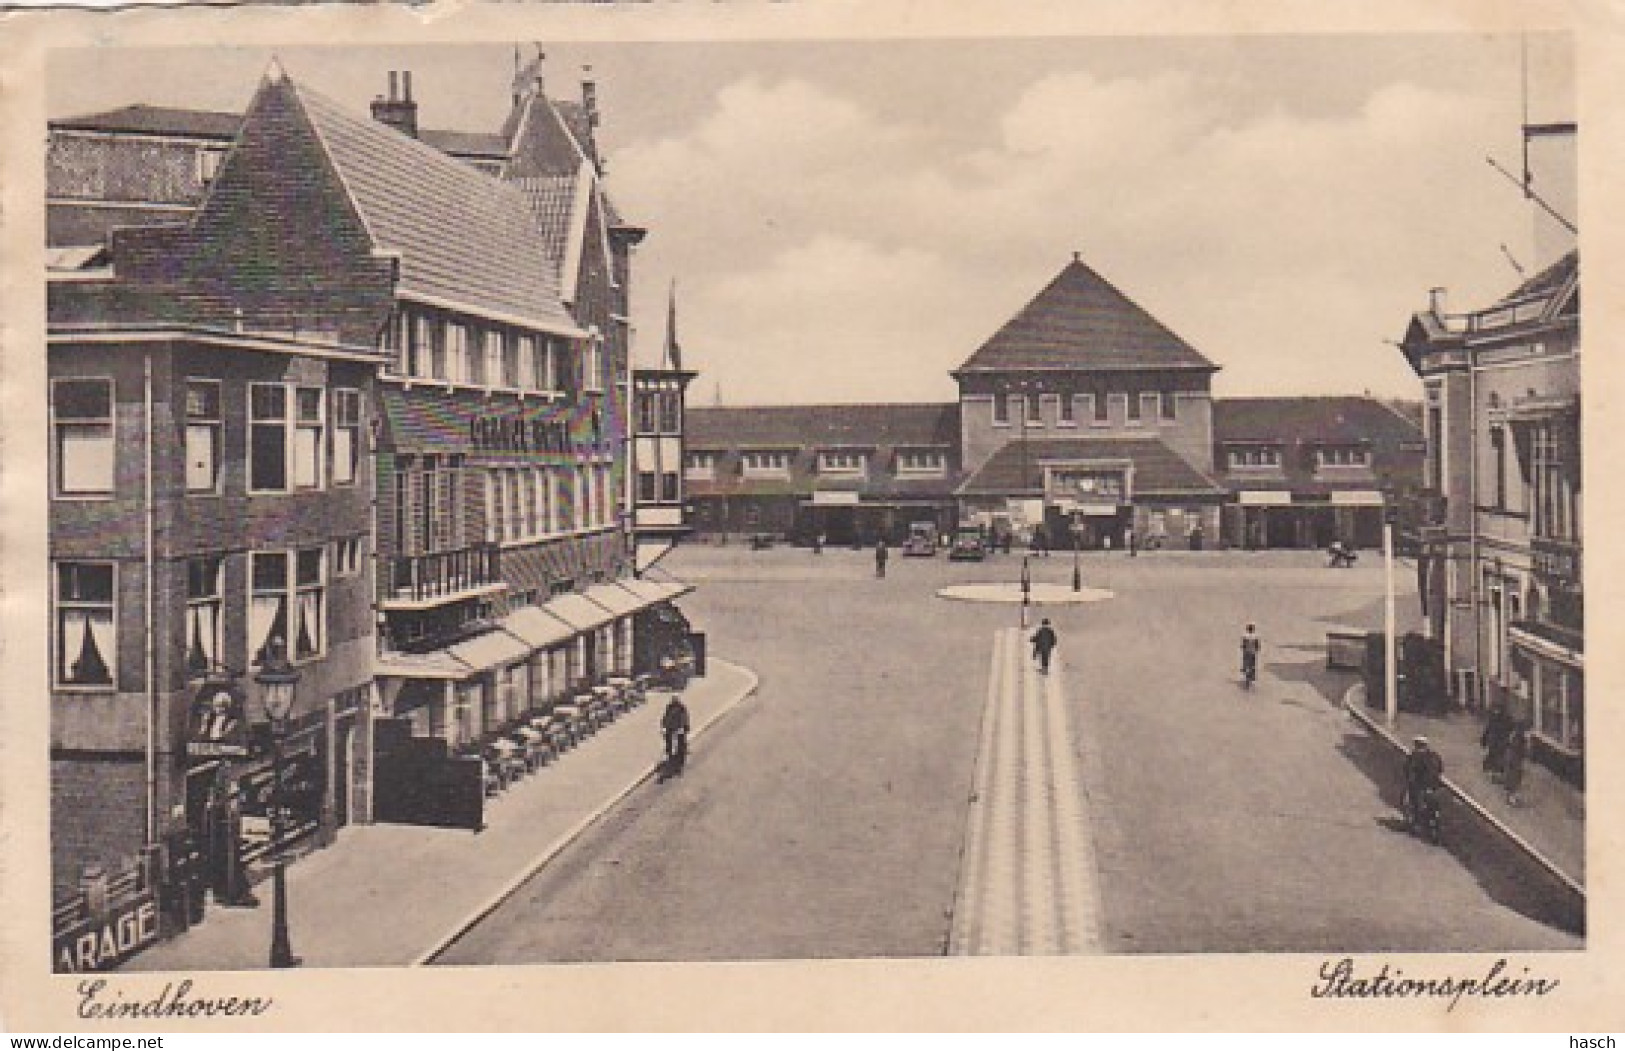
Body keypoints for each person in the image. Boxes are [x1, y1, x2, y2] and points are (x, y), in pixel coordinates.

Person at [1403, 735, 1445, 823]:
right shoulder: (1435, 755)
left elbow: (1409, 770)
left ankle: (1416, 821)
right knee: (1433, 803)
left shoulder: (1414, 756)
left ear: (1416, 745)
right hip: (1434, 785)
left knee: (1413, 801)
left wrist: (1410, 780)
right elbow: (1441, 769)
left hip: (1420, 785)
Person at [660, 694, 692, 779]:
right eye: (673, 700)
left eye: (675, 700)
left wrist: (683, 726)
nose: (674, 701)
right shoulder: (669, 707)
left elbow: (684, 717)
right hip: (671, 727)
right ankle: (669, 753)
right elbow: (665, 716)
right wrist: (663, 726)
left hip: (680, 727)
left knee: (681, 741)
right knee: (668, 739)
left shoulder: (681, 707)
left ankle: (680, 759)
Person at [1480, 703, 1513, 780]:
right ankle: (1493, 771)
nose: (1496, 712)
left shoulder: (1506, 719)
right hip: (1494, 741)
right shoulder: (1493, 719)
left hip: (1501, 742)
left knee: (1499, 756)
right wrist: (1484, 739)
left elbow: (1510, 729)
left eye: (1497, 710)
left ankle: (1497, 772)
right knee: (1493, 755)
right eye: (1495, 710)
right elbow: (1488, 729)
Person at [1503, 724, 1528, 806]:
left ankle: (1511, 797)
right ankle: (1511, 799)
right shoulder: (1519, 738)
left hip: (1513, 758)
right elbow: (1520, 750)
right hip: (1514, 760)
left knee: (1514, 778)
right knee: (1514, 778)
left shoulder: (1515, 736)